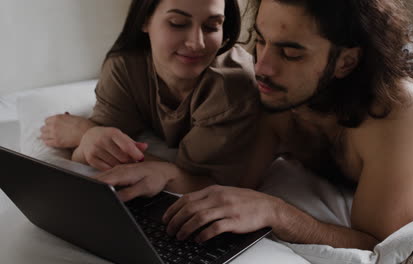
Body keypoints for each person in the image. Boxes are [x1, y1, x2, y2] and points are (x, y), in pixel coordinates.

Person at [160, 0, 413, 250]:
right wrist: (163, 174)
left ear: (346, 62)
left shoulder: (393, 110)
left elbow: (378, 243)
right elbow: (235, 183)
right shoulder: (276, 92)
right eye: (261, 40)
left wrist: (277, 212)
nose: (261, 67)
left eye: (290, 53)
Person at [39, 0, 260, 199]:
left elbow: (202, 183)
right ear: (145, 21)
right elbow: (91, 157)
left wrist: (82, 132)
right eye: (178, 23)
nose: (197, 43)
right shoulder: (125, 67)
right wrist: (91, 136)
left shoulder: (230, 86)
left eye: (212, 26)